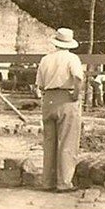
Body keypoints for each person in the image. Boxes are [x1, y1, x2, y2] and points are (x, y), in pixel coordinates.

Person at [35, 27, 83, 193]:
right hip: (66, 99)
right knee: (67, 142)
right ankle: (63, 183)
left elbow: (40, 85)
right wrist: (76, 95)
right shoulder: (72, 58)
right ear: (70, 43)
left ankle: (47, 182)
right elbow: (77, 78)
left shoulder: (45, 59)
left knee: (49, 143)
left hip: (48, 99)